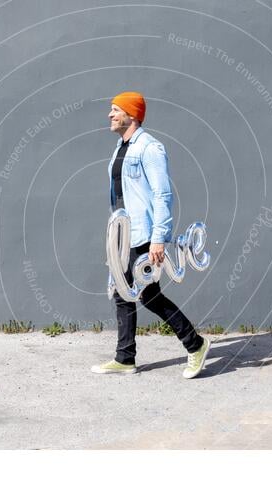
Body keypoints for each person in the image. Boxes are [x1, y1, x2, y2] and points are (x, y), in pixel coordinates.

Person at [91, 91, 210, 379]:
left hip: (143, 233)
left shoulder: (149, 148)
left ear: (132, 114)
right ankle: (125, 358)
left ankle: (196, 345)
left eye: (116, 110)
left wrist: (159, 237)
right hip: (122, 233)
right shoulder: (122, 146)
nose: (110, 114)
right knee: (123, 294)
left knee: (148, 295)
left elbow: (163, 194)